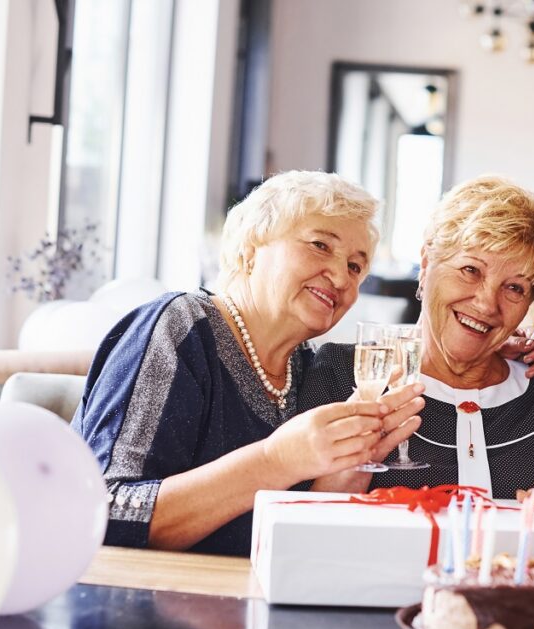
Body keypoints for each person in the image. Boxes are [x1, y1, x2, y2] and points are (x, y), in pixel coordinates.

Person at [301, 176, 534, 581]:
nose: (486, 304)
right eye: (469, 270)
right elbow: (297, 535)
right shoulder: (340, 375)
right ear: (426, 264)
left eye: (514, 288)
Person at [72, 171, 426, 556]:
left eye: (356, 267)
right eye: (320, 245)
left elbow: (291, 548)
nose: (341, 276)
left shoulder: (308, 372)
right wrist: (275, 461)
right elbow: (105, 512)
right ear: (251, 248)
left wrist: (347, 470)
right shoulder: (180, 327)